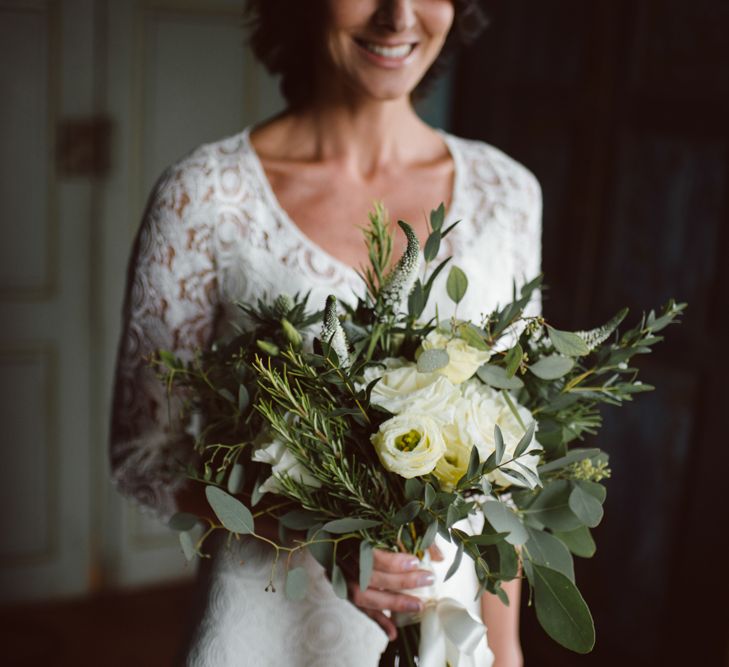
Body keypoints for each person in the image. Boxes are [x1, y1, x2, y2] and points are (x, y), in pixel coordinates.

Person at [110, 1, 541, 665]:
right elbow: (143, 452)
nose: (398, 16)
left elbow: (509, 464)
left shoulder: (510, 194)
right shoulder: (204, 197)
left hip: (450, 632)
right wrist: (308, 530)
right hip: (263, 627)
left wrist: (505, 650)